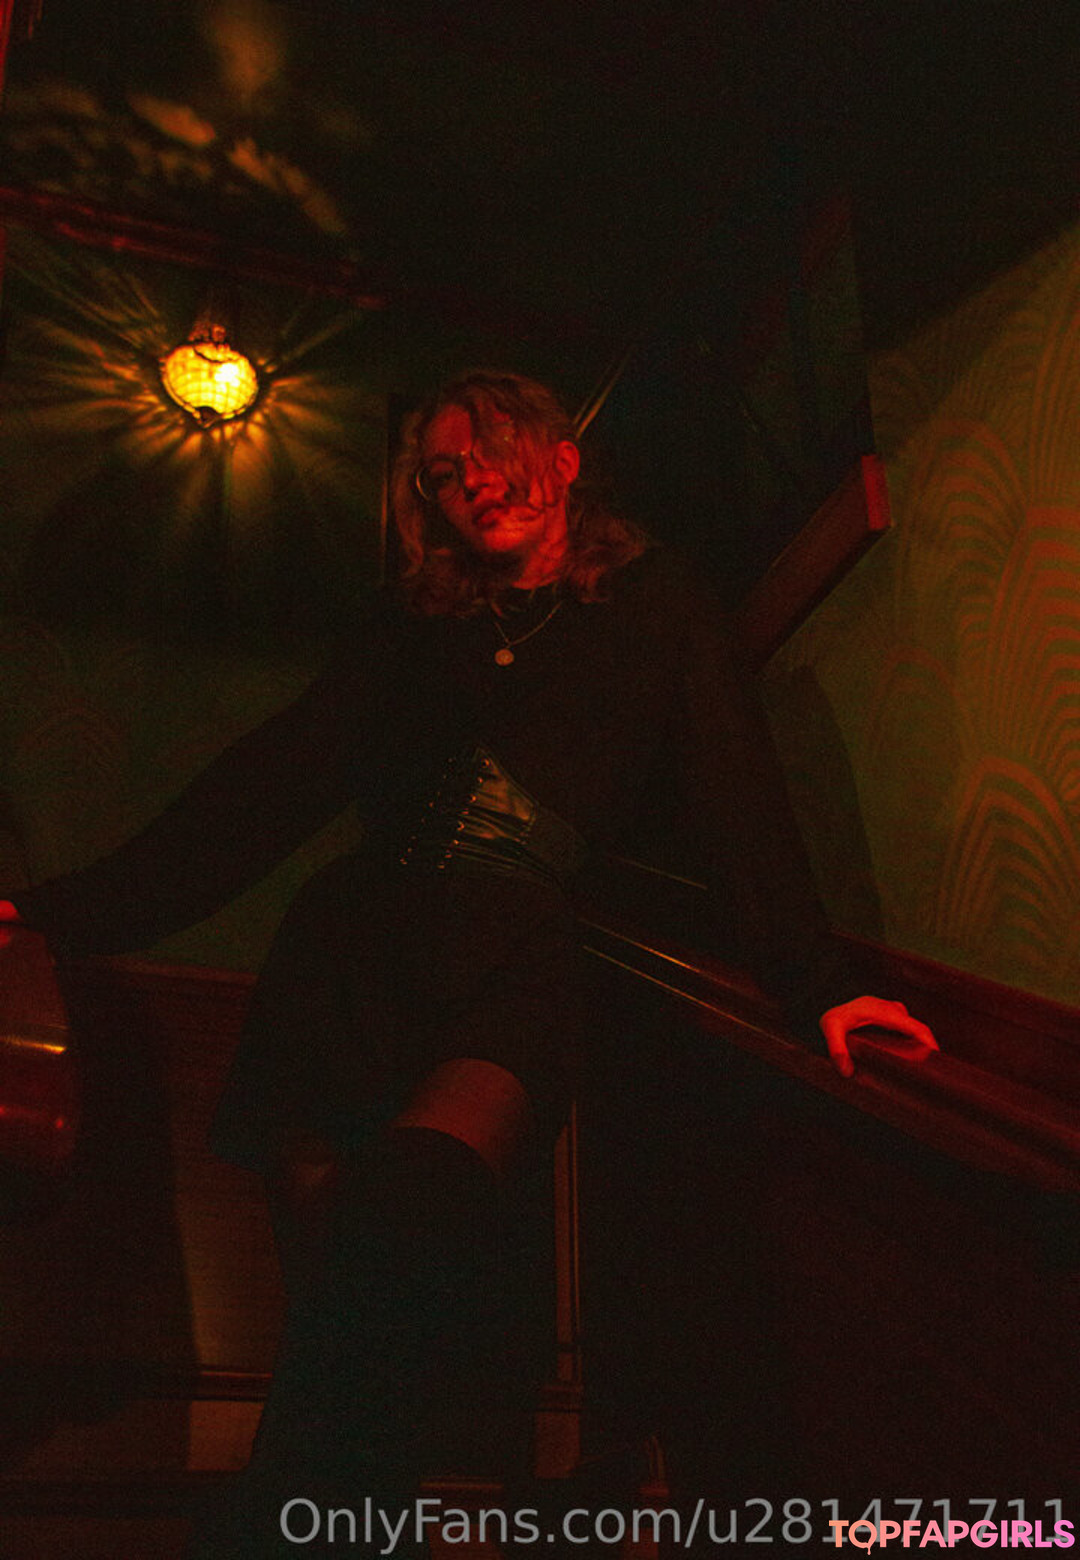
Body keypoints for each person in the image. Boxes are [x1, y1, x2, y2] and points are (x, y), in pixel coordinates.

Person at [0, 371, 937, 1553]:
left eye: (491, 449)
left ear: (563, 459)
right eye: (444, 472)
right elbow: (265, 788)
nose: (471, 480)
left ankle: (263, 1533)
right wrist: (55, 914)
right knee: (342, 1318)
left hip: (508, 965)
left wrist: (820, 986)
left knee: (403, 1225)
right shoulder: (415, 623)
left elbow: (735, 793)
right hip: (346, 966)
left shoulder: (658, 606)